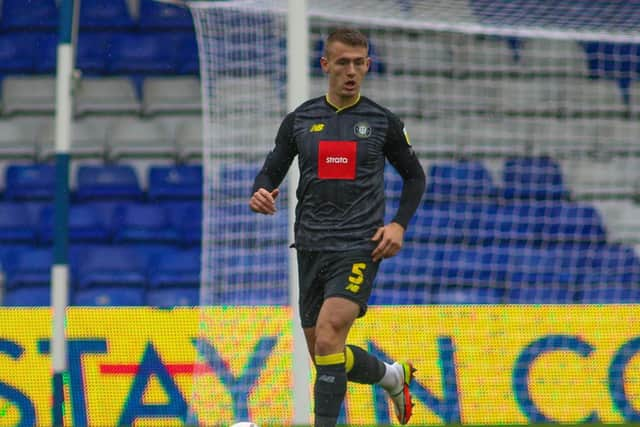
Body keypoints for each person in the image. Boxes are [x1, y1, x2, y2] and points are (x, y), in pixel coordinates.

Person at [249, 27, 425, 427]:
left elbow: (415, 177)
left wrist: (398, 225)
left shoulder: (383, 122)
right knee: (325, 354)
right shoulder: (301, 119)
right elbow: (271, 170)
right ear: (325, 64)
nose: (351, 71)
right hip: (310, 245)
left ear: (368, 65)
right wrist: (261, 191)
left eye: (358, 63)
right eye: (342, 62)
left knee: (329, 334)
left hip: (358, 245)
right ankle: (391, 376)